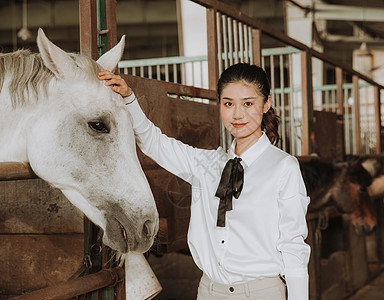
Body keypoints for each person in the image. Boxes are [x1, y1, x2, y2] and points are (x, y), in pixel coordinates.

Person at [98, 63, 310, 300]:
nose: (238, 114)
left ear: (266, 104)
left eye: (248, 104)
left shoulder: (283, 167)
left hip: (261, 293)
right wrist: (129, 99)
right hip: (209, 291)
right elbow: (153, 142)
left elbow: (293, 245)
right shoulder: (206, 164)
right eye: (228, 104)